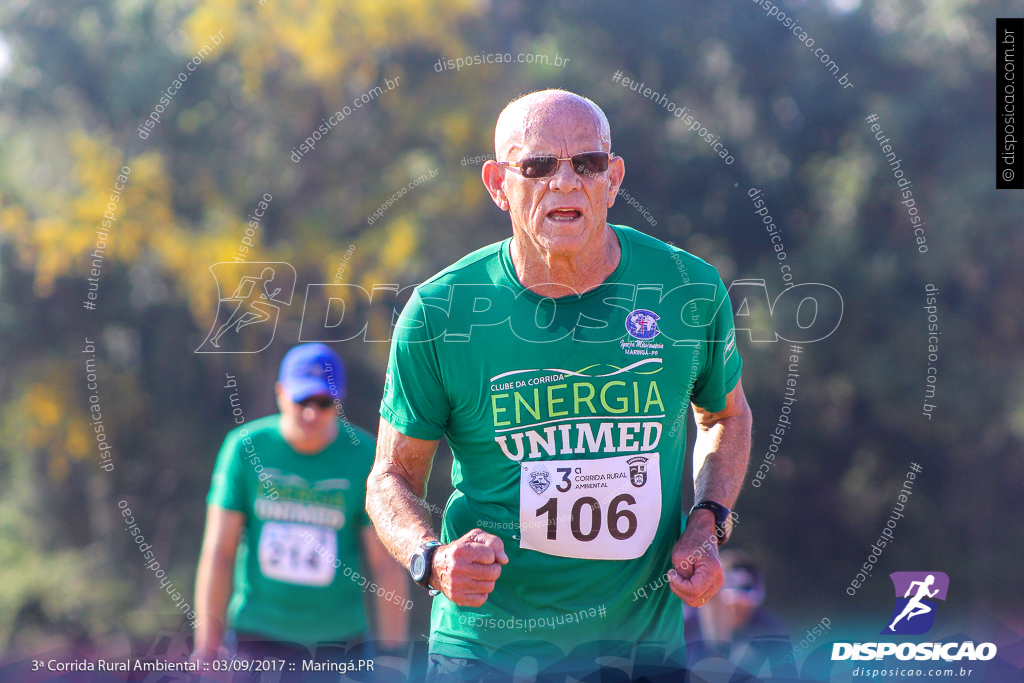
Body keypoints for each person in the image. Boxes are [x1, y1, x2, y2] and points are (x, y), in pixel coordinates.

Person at [366, 89, 752, 680]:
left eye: (587, 163)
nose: (565, 182)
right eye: (539, 166)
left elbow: (724, 416)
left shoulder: (686, 289)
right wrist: (432, 559)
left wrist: (706, 523)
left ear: (613, 177)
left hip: (637, 653)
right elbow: (391, 479)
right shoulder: (441, 312)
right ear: (498, 184)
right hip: (486, 653)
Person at [191, 343, 409, 669]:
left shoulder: (365, 456)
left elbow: (385, 566)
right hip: (258, 635)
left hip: (339, 641)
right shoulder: (244, 449)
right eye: (302, 399)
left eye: (323, 402)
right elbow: (219, 552)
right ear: (280, 393)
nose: (311, 413)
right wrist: (207, 647)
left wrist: (393, 655)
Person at [683, 550, 793, 675]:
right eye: (731, 604)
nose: (737, 611)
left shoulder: (770, 631)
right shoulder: (686, 625)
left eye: (745, 605)